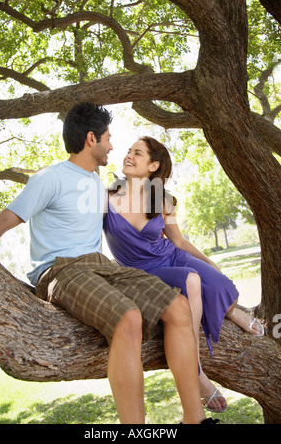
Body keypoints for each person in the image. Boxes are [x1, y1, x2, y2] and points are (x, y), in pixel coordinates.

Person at [0, 103, 218, 425]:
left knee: (178, 307)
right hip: (61, 269)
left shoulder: (97, 183)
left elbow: (142, 204)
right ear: (91, 139)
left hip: (101, 265)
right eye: (108, 137)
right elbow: (4, 221)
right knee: (128, 317)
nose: (113, 145)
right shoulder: (49, 178)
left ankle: (195, 418)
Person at [103, 135, 264, 414]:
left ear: (153, 166)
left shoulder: (162, 200)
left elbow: (178, 241)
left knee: (219, 282)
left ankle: (230, 311)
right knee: (192, 280)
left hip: (173, 257)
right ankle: (198, 374)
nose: (128, 155)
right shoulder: (106, 198)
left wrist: (208, 260)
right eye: (129, 151)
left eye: (137, 153)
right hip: (142, 272)